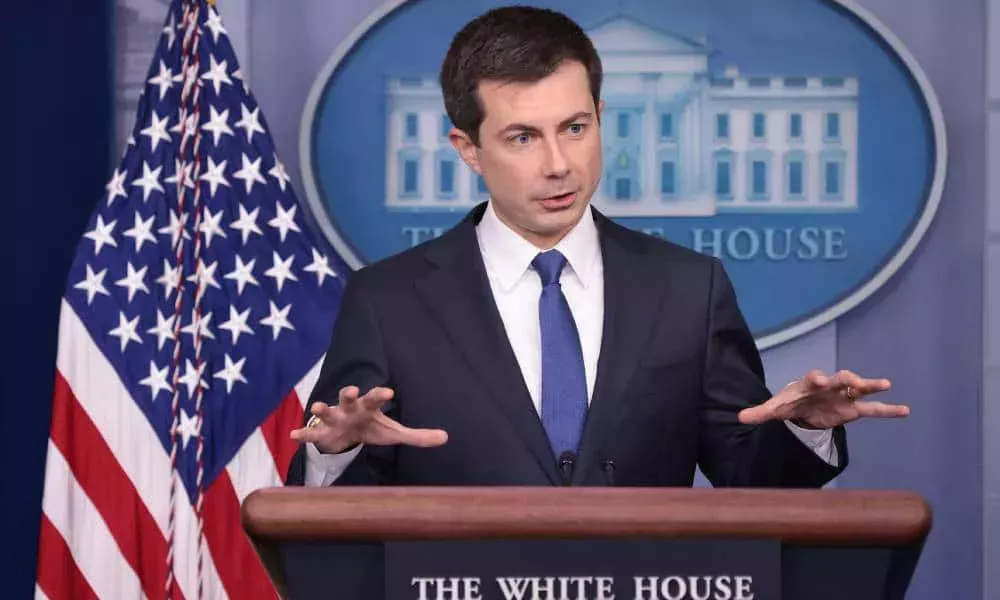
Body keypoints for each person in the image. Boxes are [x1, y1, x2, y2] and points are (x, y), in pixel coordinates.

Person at [285, 6, 908, 488]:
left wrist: (801, 430)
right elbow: (339, 514)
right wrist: (337, 451)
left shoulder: (690, 288)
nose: (560, 164)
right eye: (523, 137)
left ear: (600, 116)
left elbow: (748, 473)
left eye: (575, 128)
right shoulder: (387, 301)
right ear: (467, 148)